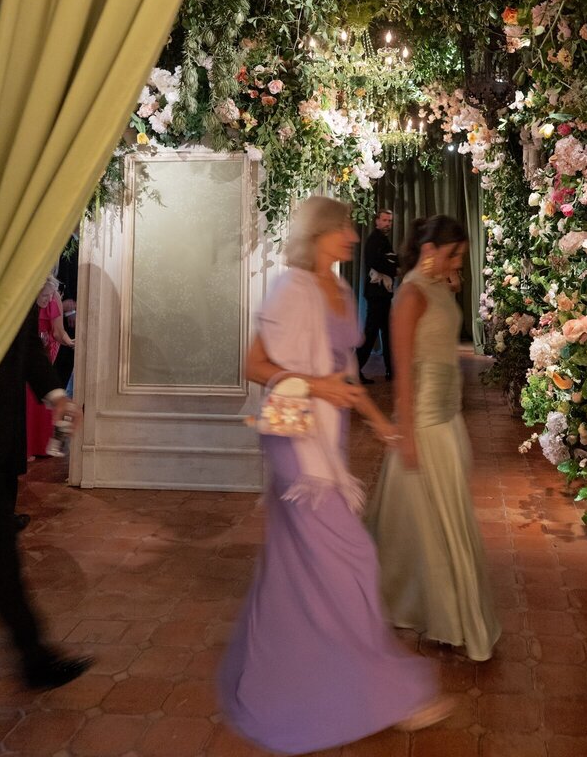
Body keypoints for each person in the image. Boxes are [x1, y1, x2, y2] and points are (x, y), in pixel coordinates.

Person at [218, 196, 451, 755]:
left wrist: (383, 425)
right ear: (320, 233)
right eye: (344, 225)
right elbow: (253, 366)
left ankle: (292, 661)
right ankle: (380, 688)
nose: (354, 234)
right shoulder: (289, 289)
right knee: (351, 555)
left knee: (301, 561)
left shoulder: (343, 293)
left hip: (329, 437)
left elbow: (346, 376)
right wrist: (316, 385)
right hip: (294, 441)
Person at [367, 215, 501, 662]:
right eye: (454, 254)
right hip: (423, 422)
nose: (457, 263)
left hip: (448, 418)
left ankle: (436, 610)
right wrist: (406, 432)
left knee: (438, 524)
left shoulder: (439, 285)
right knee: (425, 527)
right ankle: (436, 613)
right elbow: (403, 370)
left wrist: (451, 275)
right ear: (431, 250)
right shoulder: (409, 294)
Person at [0, 302, 91, 687]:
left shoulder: (14, 268)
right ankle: (33, 656)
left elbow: (26, 347)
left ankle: (33, 656)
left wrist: (56, 395)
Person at [27, 277, 74, 459]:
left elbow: (56, 333)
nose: (48, 298)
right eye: (45, 295)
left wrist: (57, 395)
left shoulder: (52, 301)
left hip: (42, 353)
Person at [356, 208, 397, 383]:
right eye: (385, 220)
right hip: (377, 294)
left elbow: (387, 261)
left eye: (390, 221)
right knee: (372, 333)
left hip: (380, 293)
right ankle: (355, 369)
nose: (388, 224)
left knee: (384, 332)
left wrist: (392, 262)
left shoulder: (380, 239)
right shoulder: (375, 240)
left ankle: (390, 370)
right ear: (377, 221)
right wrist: (394, 265)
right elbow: (376, 262)